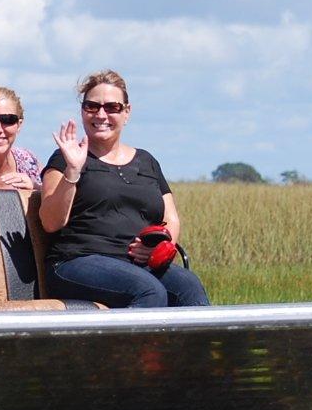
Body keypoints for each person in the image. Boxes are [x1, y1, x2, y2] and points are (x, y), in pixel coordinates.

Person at [39, 70, 209, 308]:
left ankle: (192, 347)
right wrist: (73, 171)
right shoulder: (65, 159)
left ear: (126, 112)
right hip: (76, 261)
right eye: (92, 106)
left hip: (137, 264)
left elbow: (170, 218)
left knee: (188, 286)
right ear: (82, 111)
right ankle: (130, 347)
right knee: (149, 291)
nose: (101, 114)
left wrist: (159, 248)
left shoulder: (146, 161)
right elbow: (50, 221)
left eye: (112, 107)